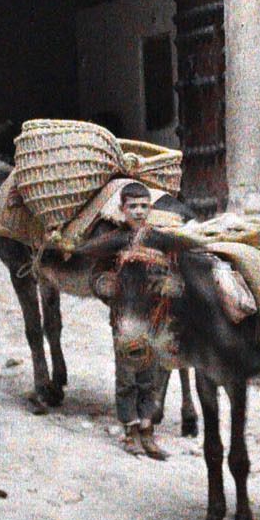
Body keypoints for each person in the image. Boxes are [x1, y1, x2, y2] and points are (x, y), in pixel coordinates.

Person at [113, 181, 170, 459]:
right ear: (122, 209)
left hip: (153, 318)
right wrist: (111, 285)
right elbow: (97, 275)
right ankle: (130, 430)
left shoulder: (158, 239)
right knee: (127, 378)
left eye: (144, 206)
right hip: (125, 319)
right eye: (132, 206)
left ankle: (147, 431)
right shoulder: (113, 240)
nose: (138, 212)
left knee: (150, 376)